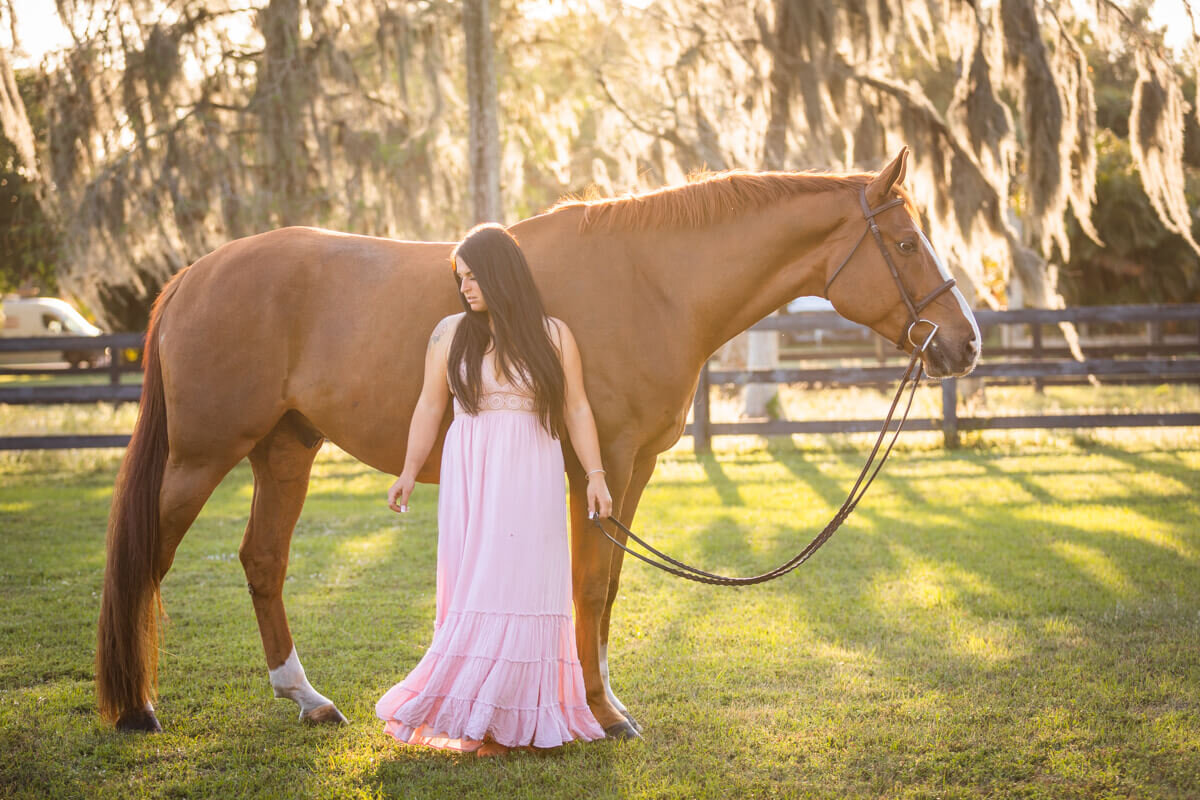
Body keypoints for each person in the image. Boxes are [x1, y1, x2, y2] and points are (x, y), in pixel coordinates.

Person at [376, 223, 610, 756]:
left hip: (532, 466)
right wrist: (408, 472)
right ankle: (479, 720)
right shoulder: (448, 333)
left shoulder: (552, 334)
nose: (465, 287)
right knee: (479, 584)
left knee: (524, 584)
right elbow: (429, 406)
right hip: (472, 471)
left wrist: (595, 476)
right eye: (460, 278)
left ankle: (517, 718)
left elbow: (576, 407)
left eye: (475, 276)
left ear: (503, 274)